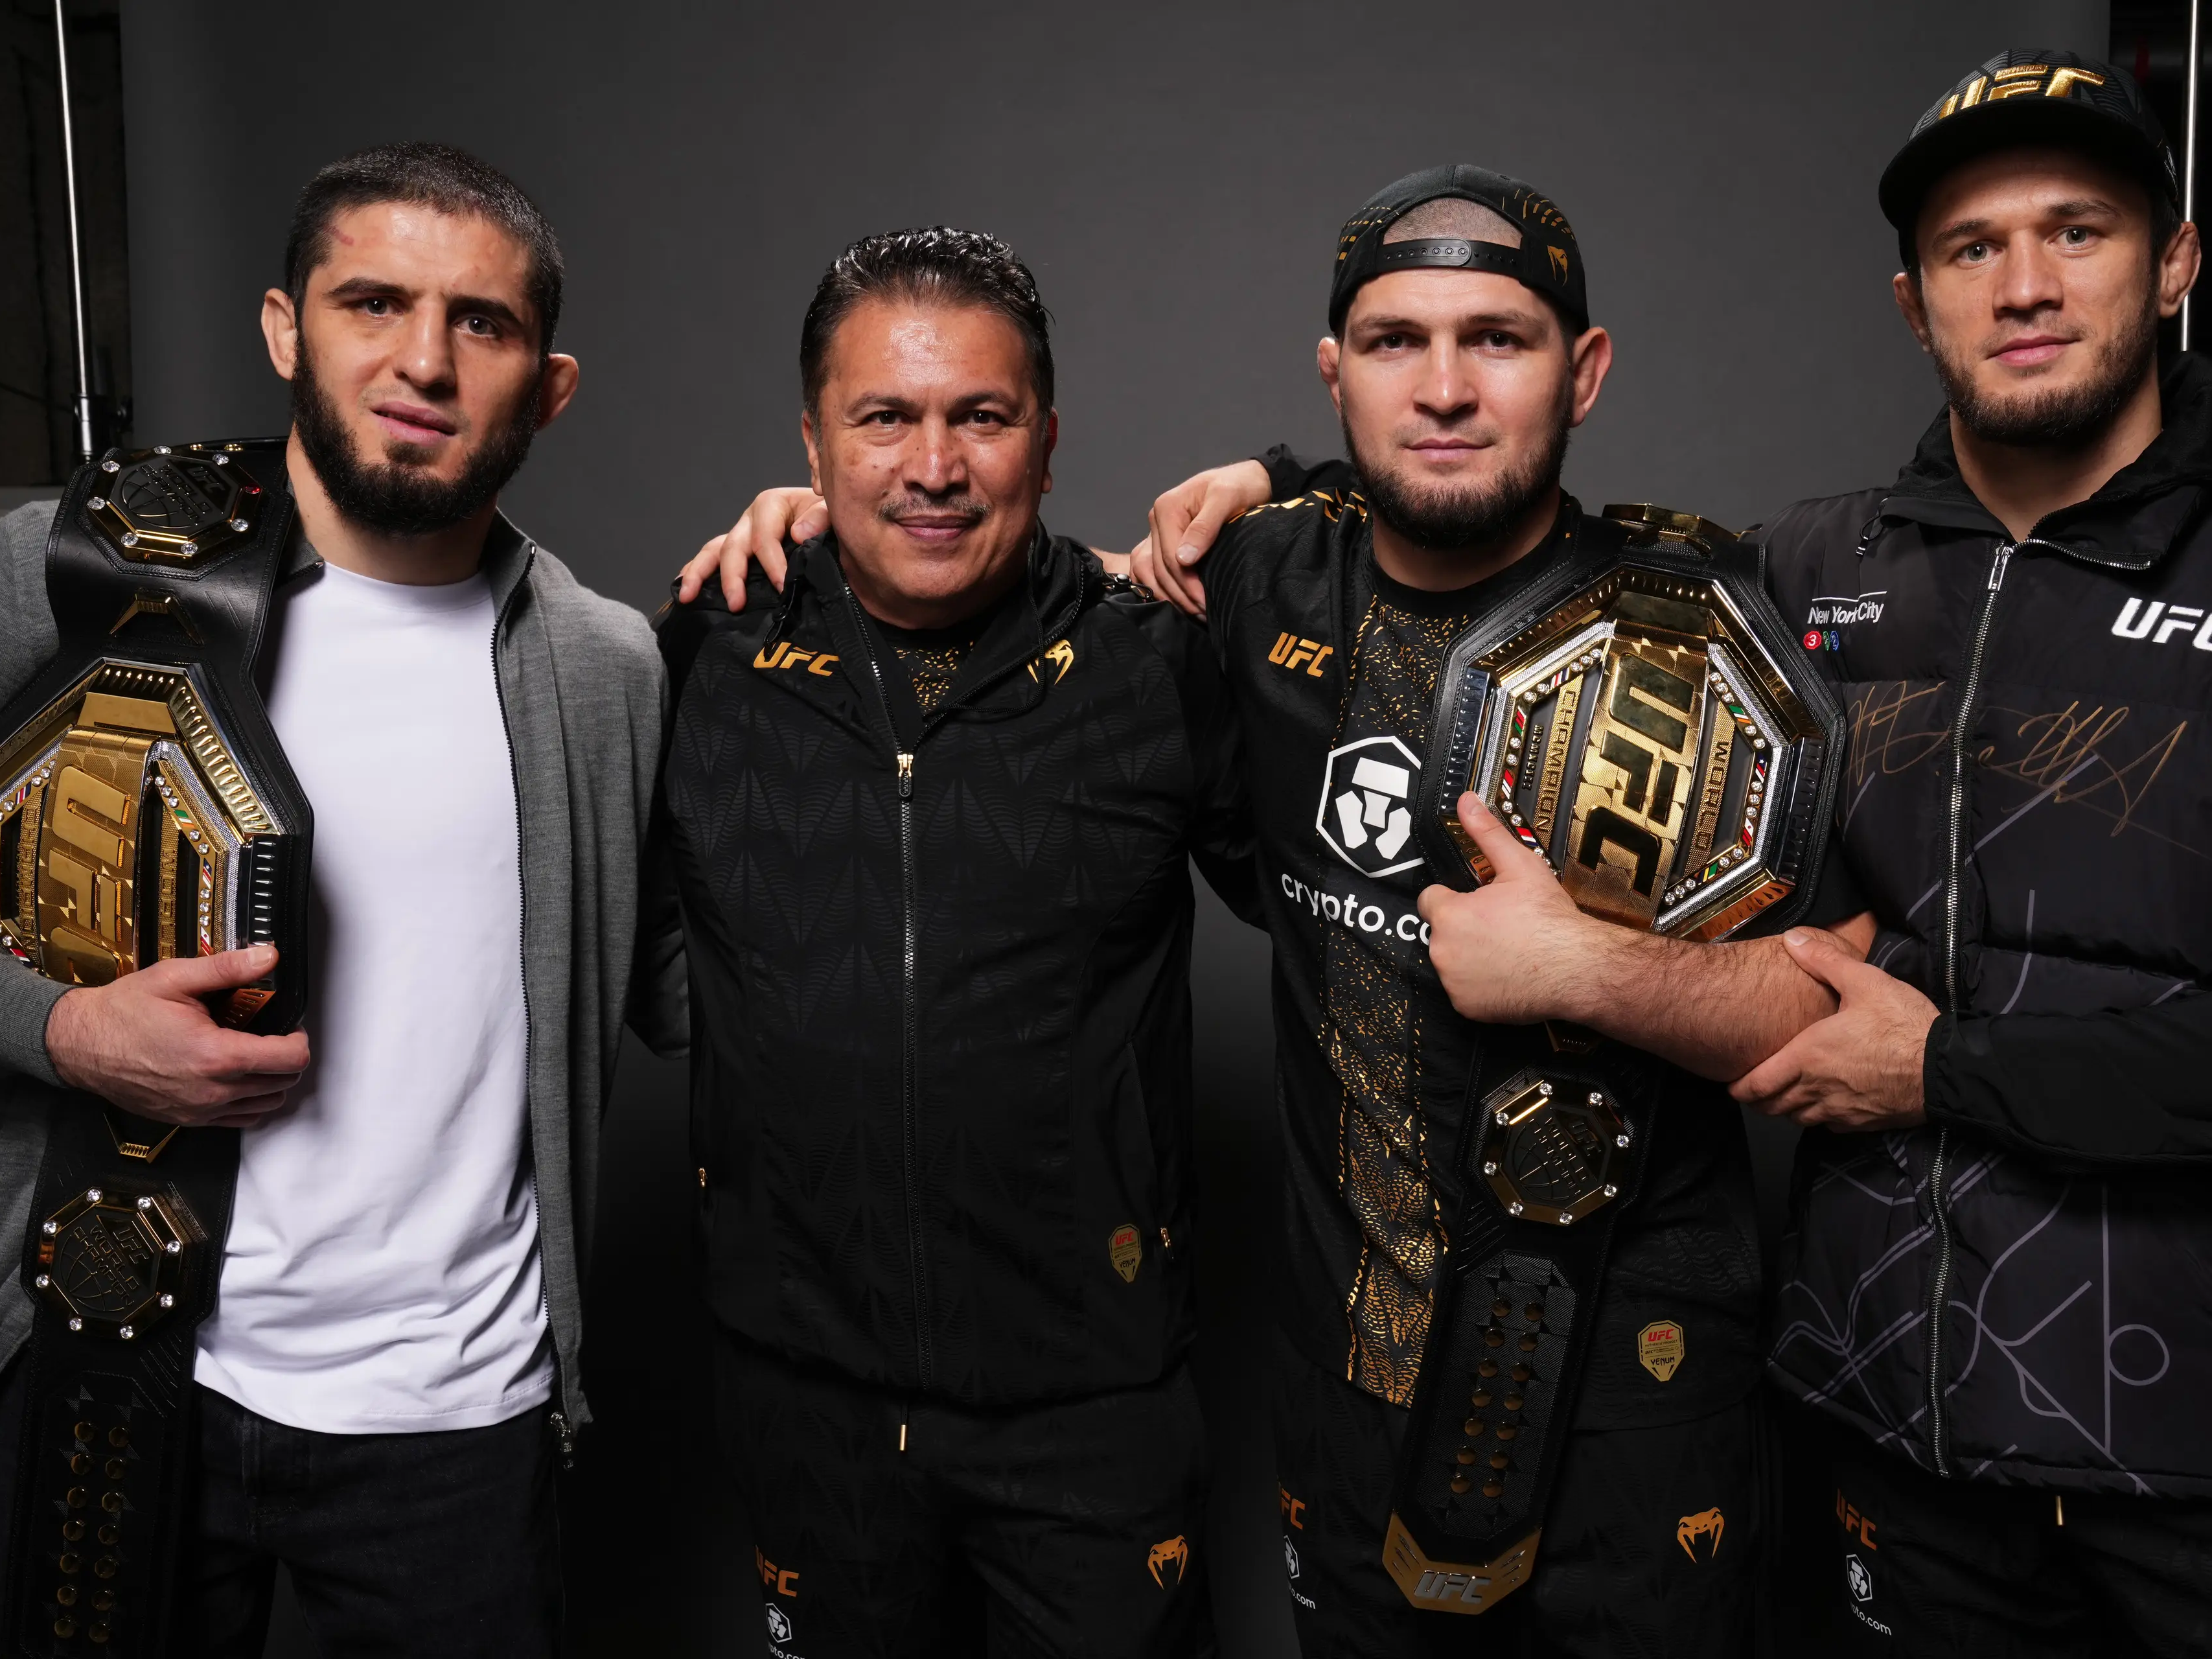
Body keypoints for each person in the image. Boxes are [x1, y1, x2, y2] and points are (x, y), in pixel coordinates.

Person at [1140, 49, 2212, 1659]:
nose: (2024, 285)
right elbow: (1450, 495)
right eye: (1974, 248)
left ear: (2176, 263)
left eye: (2080, 233)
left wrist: (1916, 1059)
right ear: (1914, 300)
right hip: (1894, 1422)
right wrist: (1283, 476)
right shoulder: (1821, 570)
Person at [686, 168, 1870, 1656]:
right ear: (1336, 374)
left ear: (1586, 370)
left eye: (1496, 339)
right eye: (1392, 343)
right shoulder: (1250, 586)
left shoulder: (1694, 626)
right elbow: (1011, 574)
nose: (1442, 387)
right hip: (1351, 1395)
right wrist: (822, 531)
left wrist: (1586, 966)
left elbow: (1838, 1011)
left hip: (1640, 1400)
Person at [0, 142, 671, 1655]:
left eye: (482, 323)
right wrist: (65, 1028)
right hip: (111, 1355)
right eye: (374, 303)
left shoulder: (601, 670)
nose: (423, 360)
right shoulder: (65, 577)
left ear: (548, 385)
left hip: (458, 1417)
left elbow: (696, 969)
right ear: (287, 329)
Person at [647, 227, 1249, 1658]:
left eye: (980, 416)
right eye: (884, 418)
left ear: (1046, 437)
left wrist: (1286, 484)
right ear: (812, 441)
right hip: (807, 1399)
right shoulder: (706, 650)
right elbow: (637, 959)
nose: (932, 466)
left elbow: (1348, 909)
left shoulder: (1154, 660)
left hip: (1091, 1402)